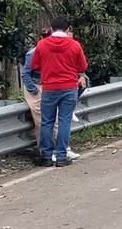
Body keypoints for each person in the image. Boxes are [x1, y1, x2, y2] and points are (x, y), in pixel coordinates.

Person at [31, 16, 88, 167]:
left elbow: (34, 65)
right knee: (64, 122)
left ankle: (46, 157)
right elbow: (82, 66)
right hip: (69, 88)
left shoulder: (42, 45)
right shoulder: (74, 45)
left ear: (51, 28)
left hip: (49, 88)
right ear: (68, 29)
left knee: (47, 122)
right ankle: (62, 157)